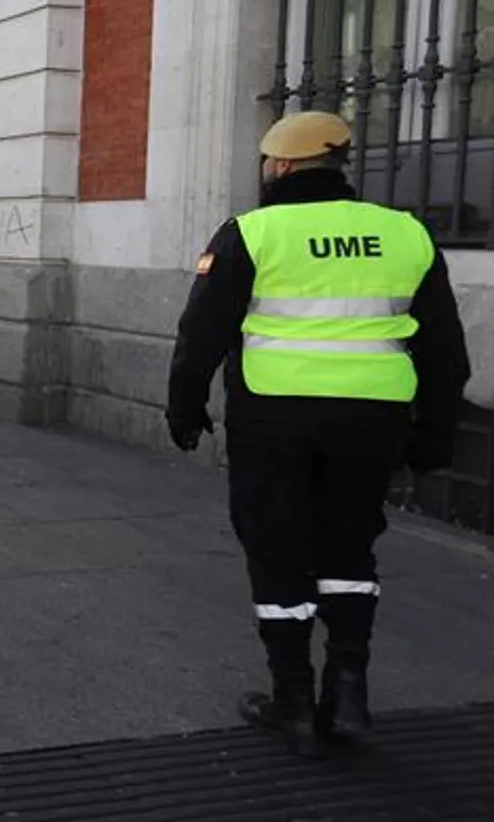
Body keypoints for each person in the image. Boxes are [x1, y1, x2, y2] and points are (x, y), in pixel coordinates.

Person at [165, 110, 470, 757]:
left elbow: (201, 336)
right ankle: (349, 687)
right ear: (341, 163)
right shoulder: (404, 233)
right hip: (372, 420)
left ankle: (294, 701)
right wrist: (435, 436)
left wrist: (185, 410)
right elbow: (445, 349)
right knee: (349, 549)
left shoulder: (253, 232)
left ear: (278, 166)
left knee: (278, 550)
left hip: (274, 418)